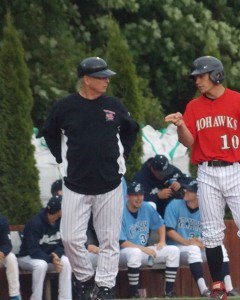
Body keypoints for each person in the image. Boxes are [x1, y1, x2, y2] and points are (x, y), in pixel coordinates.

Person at [165, 55, 240, 299]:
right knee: (211, 232)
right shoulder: (194, 106)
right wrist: (181, 125)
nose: (198, 81)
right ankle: (217, 287)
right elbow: (189, 141)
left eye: (201, 76)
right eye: (196, 78)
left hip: (237, 169)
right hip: (207, 172)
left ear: (216, 75)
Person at [42, 56, 139, 299]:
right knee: (71, 239)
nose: (107, 80)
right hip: (75, 184)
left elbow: (131, 129)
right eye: (101, 77)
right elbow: (50, 133)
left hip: (110, 184)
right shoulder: (64, 107)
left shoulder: (114, 105)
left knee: (109, 240)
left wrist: (123, 154)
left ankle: (105, 286)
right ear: (87, 79)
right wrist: (61, 159)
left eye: (107, 76)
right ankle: (85, 279)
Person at [164, 178, 239, 297]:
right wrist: (188, 242)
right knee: (193, 249)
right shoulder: (174, 205)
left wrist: (206, 242)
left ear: (199, 194)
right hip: (178, 248)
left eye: (190, 190)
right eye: (186, 189)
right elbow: (169, 230)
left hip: (199, 244)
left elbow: (213, 231)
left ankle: (229, 288)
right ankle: (204, 290)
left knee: (219, 247)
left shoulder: (207, 210)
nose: (185, 191)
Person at [119, 182, 180, 298]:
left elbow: (161, 225)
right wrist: (144, 250)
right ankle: (134, 294)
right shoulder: (120, 211)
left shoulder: (146, 207)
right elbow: (122, 242)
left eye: (141, 195)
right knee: (134, 252)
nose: (139, 198)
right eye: (135, 195)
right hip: (123, 253)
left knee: (173, 251)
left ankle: (169, 293)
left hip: (142, 252)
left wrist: (162, 241)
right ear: (127, 196)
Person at [17, 196, 72, 300]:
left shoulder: (61, 222)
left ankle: (65, 298)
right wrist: (51, 259)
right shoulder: (34, 223)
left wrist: (56, 255)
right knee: (41, 265)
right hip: (27, 257)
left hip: (49, 257)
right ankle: (35, 298)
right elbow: (33, 250)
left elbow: (61, 244)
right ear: (58, 211)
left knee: (66, 262)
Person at [0, 214, 21, 300]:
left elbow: (7, 244)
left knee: (11, 258)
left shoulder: (2, 221)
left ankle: (14, 295)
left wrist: (2, 252)